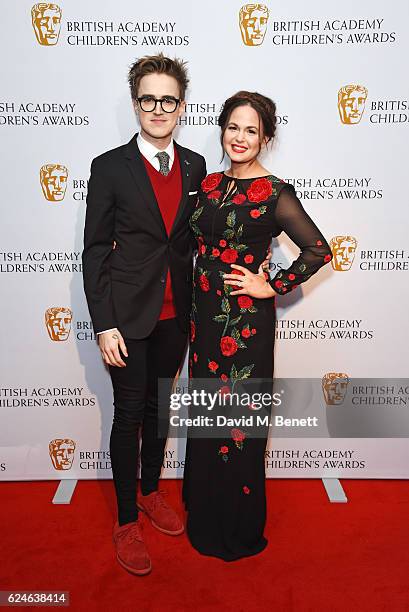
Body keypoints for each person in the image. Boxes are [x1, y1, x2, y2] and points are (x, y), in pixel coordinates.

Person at [183, 91, 333, 561]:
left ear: (266, 138)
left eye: (251, 130)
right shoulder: (208, 185)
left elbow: (318, 250)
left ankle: (238, 529)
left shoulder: (275, 192)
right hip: (203, 323)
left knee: (240, 423)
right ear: (222, 130)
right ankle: (204, 517)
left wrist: (273, 285)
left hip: (245, 326)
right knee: (208, 416)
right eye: (233, 127)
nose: (240, 137)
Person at [82, 54, 207, 575]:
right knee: (129, 414)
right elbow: (94, 252)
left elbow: (197, 239)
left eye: (169, 100)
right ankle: (127, 519)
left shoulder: (197, 165)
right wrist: (103, 322)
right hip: (127, 318)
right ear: (137, 104)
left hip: (177, 317)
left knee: (159, 410)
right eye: (149, 99)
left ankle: (153, 491)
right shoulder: (109, 166)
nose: (159, 109)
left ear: (181, 106)